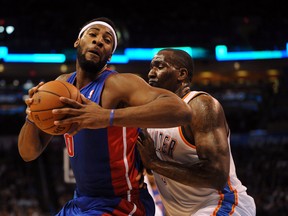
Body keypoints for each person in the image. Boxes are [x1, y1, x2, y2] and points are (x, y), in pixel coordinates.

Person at [17, 18, 192, 216]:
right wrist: (32, 114)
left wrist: (106, 116)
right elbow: (28, 153)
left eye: (107, 40)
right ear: (78, 41)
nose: (99, 41)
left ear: (109, 55)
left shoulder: (119, 84)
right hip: (80, 201)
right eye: (93, 35)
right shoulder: (61, 86)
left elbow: (181, 111)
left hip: (121, 203)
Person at [137, 48, 256, 216]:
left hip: (222, 205)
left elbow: (216, 175)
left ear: (181, 74)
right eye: (151, 67)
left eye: (159, 66)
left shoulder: (200, 106)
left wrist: (155, 163)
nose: (151, 73)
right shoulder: (152, 115)